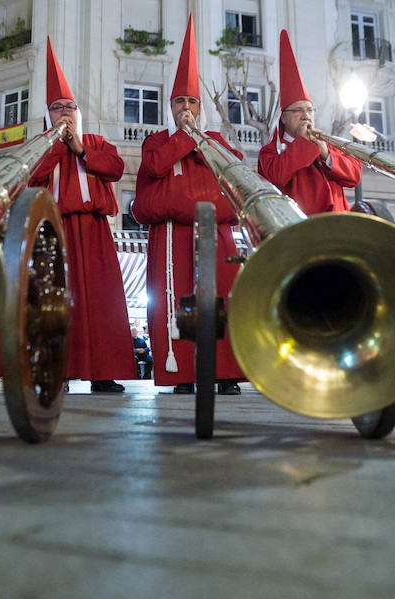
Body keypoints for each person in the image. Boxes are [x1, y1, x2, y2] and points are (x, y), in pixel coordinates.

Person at [132, 14, 244, 395]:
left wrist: (198, 140)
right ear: (170, 105)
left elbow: (234, 179)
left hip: (213, 233)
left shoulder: (216, 141)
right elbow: (155, 167)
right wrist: (185, 137)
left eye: (191, 102)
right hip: (171, 238)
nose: (185, 108)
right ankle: (185, 373)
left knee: (217, 300)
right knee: (177, 300)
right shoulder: (158, 142)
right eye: (179, 101)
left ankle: (224, 373)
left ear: (201, 106)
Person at [29, 37, 134, 393]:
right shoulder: (40, 147)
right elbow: (32, 177)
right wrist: (58, 147)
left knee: (102, 301)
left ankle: (104, 373)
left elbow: (116, 168)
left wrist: (80, 148)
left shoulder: (97, 143)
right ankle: (59, 372)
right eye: (57, 108)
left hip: (95, 229)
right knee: (56, 302)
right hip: (54, 232)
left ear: (78, 112)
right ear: (48, 114)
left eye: (69, 107)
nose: (64, 113)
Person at [257, 30, 362, 215]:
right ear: (283, 117)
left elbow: (354, 175)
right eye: (298, 110)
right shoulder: (270, 152)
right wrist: (304, 144)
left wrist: (326, 154)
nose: (306, 115)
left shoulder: (329, 144)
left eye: (309, 109)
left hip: (339, 226)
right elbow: (277, 176)